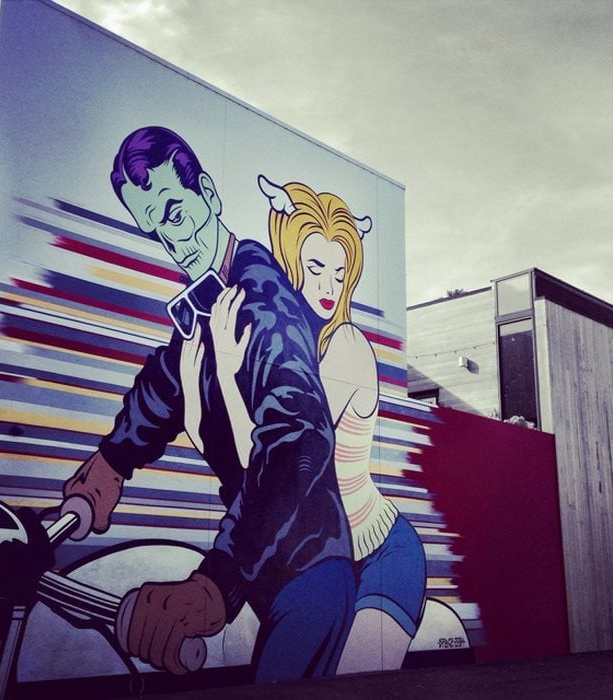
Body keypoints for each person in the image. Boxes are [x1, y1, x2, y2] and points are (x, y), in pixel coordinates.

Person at [62, 127, 355, 681]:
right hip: (260, 562)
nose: (174, 242)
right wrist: (111, 461)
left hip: (309, 566)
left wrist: (216, 583)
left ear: (211, 196)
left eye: (175, 214)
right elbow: (167, 380)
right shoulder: (208, 300)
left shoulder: (264, 304)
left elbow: (296, 444)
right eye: (155, 229)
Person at [200, 176, 426, 673]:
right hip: (318, 557)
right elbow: (246, 452)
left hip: (382, 556)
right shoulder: (289, 348)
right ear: (291, 265)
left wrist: (230, 372)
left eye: (340, 274)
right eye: (316, 268)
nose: (328, 287)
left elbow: (273, 458)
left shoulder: (347, 348)